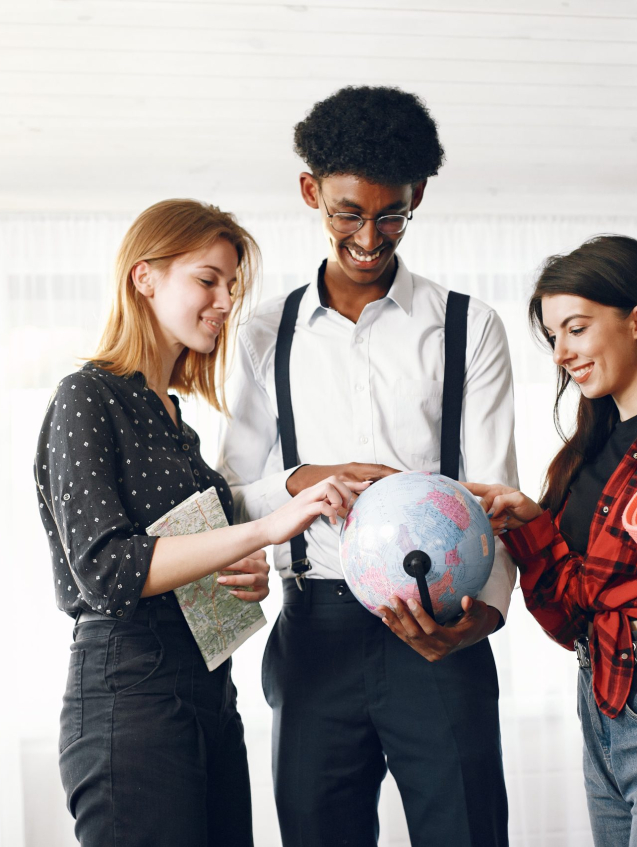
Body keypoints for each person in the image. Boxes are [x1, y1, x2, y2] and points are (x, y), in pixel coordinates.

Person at [218, 86, 518, 847]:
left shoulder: (468, 326)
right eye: (348, 211)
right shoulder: (261, 333)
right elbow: (228, 498)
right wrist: (299, 478)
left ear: (417, 196)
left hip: (440, 628)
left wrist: (480, 614)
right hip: (312, 631)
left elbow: (495, 491)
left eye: (391, 214)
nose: (369, 235)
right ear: (310, 191)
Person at [34, 199, 363, 847]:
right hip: (130, 693)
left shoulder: (177, 422)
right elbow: (107, 569)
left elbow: (182, 554)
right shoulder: (88, 395)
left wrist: (237, 573)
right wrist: (266, 530)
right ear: (144, 276)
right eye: (207, 279)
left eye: (231, 287)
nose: (224, 300)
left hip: (209, 692)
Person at [464, 235, 637, 847]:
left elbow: (605, 591)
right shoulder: (584, 457)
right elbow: (571, 619)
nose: (562, 351)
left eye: (578, 328)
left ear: (635, 321)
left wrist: (540, 533)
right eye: (553, 335)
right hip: (605, 704)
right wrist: (531, 525)